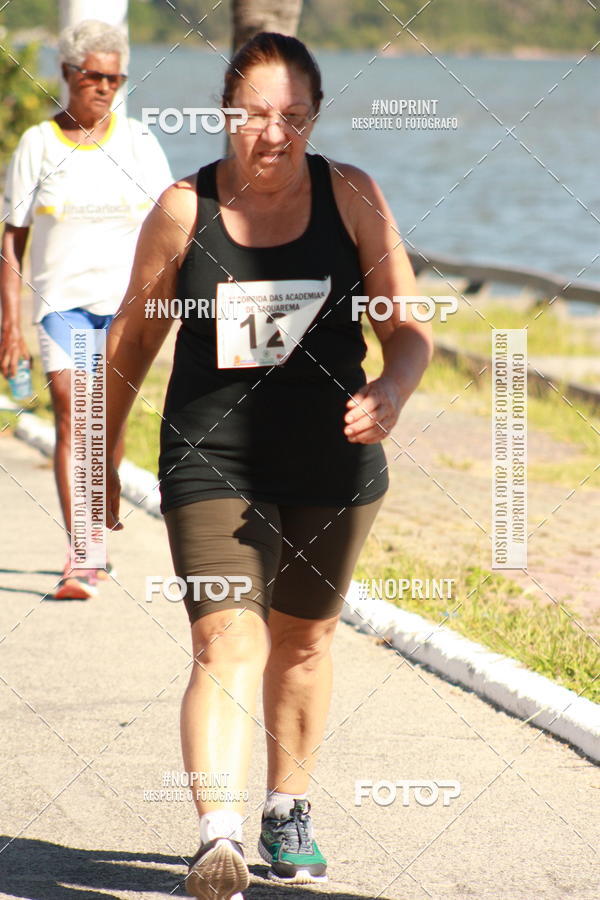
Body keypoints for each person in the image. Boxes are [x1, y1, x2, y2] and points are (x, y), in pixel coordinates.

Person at [105, 32, 432, 900]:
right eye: (254, 114)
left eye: (292, 115)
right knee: (226, 637)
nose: (273, 133)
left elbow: (407, 328)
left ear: (315, 117)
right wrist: (101, 455)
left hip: (334, 458)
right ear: (225, 117)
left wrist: (393, 390)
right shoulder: (185, 209)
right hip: (213, 457)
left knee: (305, 640)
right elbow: (133, 340)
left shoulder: (353, 195)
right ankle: (220, 837)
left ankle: (289, 807)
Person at [0, 19, 172, 599]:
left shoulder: (140, 145)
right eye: (93, 76)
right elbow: (13, 238)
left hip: (126, 311)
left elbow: (173, 224)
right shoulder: (36, 146)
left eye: (114, 78)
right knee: (77, 412)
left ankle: (102, 511)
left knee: (108, 429)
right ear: (68, 74)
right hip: (62, 305)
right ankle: (83, 555)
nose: (103, 87)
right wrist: (11, 326)